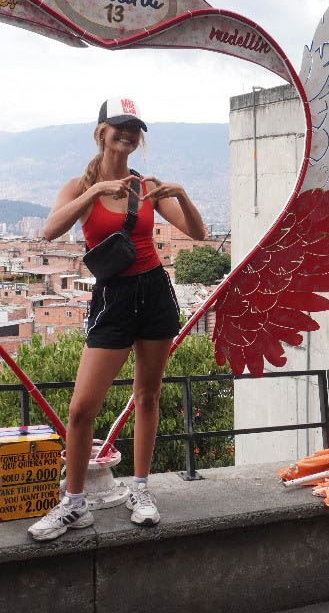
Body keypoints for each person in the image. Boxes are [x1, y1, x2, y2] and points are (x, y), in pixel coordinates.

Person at [28, 98, 207, 542]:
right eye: (119, 127)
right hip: (112, 298)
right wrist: (92, 194)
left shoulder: (145, 187)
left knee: (148, 396)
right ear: (102, 132)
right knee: (81, 408)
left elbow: (199, 235)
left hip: (155, 291)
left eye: (135, 129)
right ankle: (73, 503)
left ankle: (141, 491)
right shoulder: (78, 186)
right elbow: (49, 231)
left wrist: (180, 193)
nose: (127, 135)